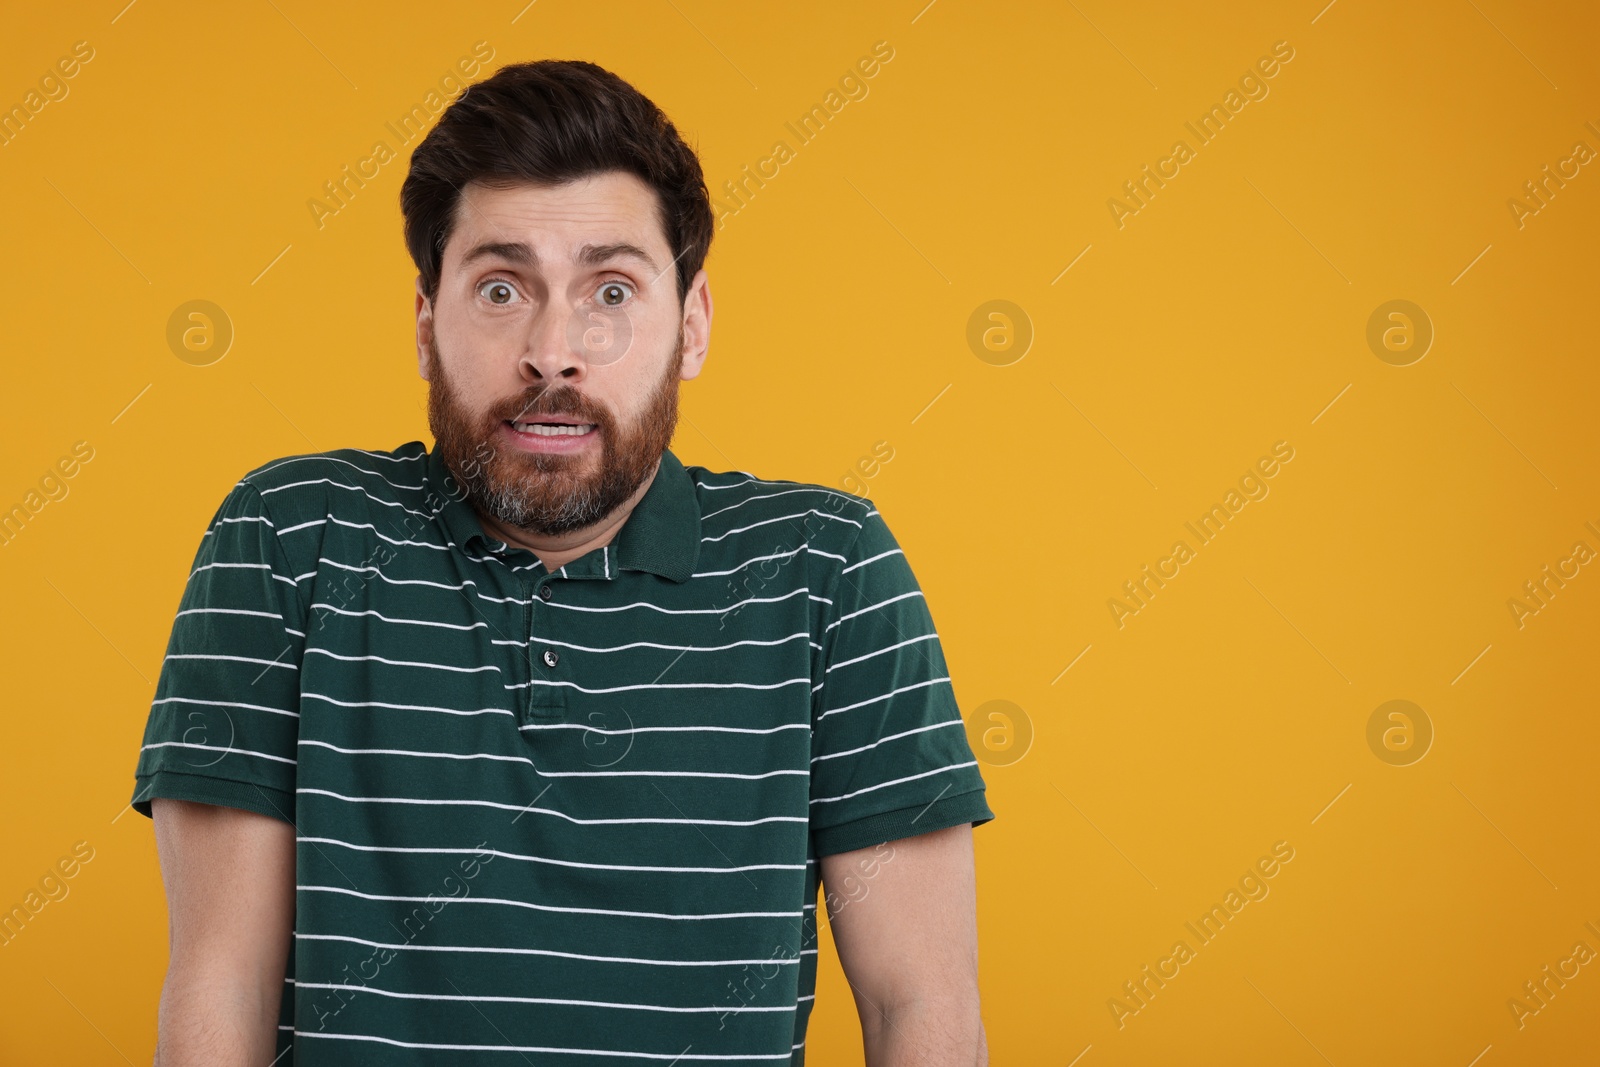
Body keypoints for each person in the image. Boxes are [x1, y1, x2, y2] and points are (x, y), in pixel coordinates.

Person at [131, 58, 994, 1066]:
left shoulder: (828, 570)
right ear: (425, 324)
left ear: (693, 325)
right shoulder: (287, 538)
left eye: (611, 289)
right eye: (501, 287)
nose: (554, 350)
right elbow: (217, 987)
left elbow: (922, 1007)